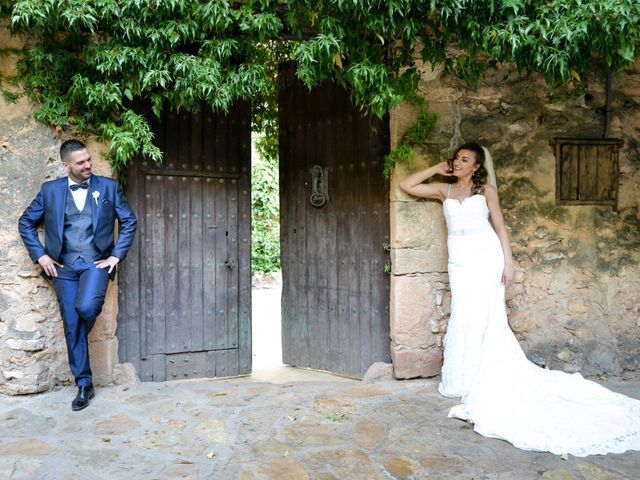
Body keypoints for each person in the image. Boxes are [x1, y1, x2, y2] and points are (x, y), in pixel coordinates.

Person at [399, 142, 640, 456]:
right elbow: (407, 185)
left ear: (477, 166)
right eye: (456, 158)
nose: (457, 162)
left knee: (485, 317)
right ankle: (459, 380)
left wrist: (508, 264)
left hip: (486, 258)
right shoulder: (444, 191)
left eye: (465, 159)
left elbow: (500, 227)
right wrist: (436, 168)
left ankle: (478, 379)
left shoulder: (486, 191)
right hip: (459, 262)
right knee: (463, 315)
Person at [19, 139, 137, 411]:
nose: (88, 165)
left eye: (88, 159)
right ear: (66, 166)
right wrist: (41, 255)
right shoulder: (50, 191)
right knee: (71, 323)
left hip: (96, 263)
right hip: (63, 267)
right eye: (80, 162)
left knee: (85, 308)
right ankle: (84, 384)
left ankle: (81, 360)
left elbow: (129, 221)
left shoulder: (108, 187)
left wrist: (116, 255)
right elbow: (25, 221)